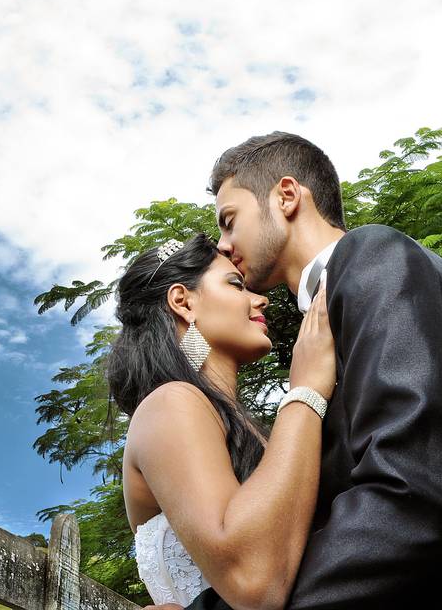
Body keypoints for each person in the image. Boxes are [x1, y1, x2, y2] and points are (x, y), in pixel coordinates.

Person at [146, 131, 442, 610]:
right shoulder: (321, 323)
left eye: (229, 222)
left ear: (287, 196)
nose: (224, 244)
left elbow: (415, 498)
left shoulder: (373, 255)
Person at [114, 233, 337, 609]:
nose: (260, 299)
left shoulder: (240, 427)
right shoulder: (171, 403)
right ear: (183, 302)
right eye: (236, 285)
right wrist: (306, 391)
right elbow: (253, 581)